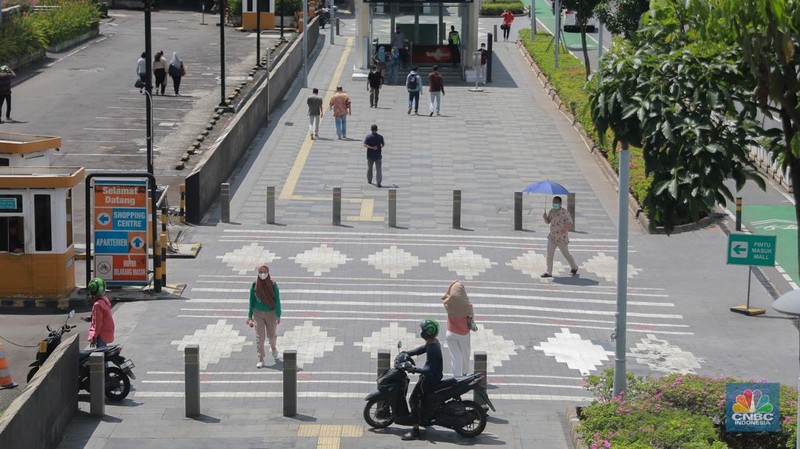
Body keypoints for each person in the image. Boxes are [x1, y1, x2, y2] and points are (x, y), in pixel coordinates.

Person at [401, 319, 444, 441]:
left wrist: (415, 369)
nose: (421, 332)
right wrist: (407, 353)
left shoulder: (433, 349)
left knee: (413, 400)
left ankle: (415, 431)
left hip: (429, 379)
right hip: (434, 376)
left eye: (422, 330)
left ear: (426, 333)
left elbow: (429, 370)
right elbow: (421, 349)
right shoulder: (433, 342)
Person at [246, 265, 282, 368]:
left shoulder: (273, 284)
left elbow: (277, 300)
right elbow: (251, 301)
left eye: (264, 272)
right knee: (260, 337)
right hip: (258, 313)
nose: (262, 274)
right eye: (261, 272)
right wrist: (249, 316)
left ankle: (274, 348)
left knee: (271, 336)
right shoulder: (254, 285)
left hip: (271, 313)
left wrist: (278, 314)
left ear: (268, 272)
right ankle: (261, 358)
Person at [441, 280, 478, 377]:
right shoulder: (467, 306)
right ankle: (465, 372)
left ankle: (457, 377)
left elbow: (445, 297)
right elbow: (471, 316)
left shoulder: (448, 304)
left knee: (455, 356)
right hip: (464, 334)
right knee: (465, 354)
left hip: (450, 333)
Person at [541, 196, 579, 278]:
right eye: (553, 202)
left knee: (566, 254)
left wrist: (564, 229)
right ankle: (549, 272)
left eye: (556, 202)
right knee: (549, 255)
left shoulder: (564, 212)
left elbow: (570, 222)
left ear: (560, 203)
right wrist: (545, 218)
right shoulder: (551, 211)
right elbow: (548, 221)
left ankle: (574, 267)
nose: (554, 204)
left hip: (562, 238)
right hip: (552, 236)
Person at [85, 278, 115, 348]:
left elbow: (99, 324)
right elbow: (103, 315)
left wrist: (94, 337)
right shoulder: (104, 300)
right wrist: (91, 318)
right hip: (107, 330)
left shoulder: (97, 305)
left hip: (101, 334)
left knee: (100, 355)